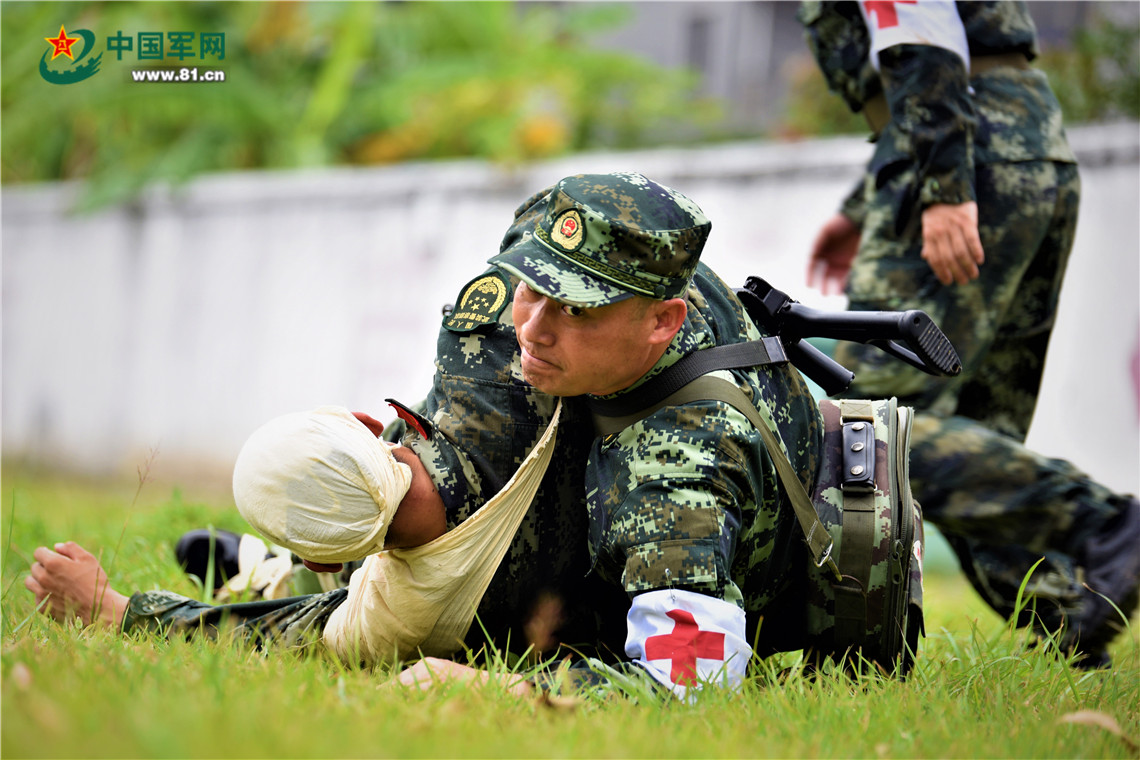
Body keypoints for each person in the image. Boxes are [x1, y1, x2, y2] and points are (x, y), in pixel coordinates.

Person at [797, 0, 1139, 666]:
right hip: (1022, 146)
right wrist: (867, 203)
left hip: (968, 155)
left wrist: (945, 188)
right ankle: (1072, 618)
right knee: (978, 438)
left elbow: (919, 31)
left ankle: (1106, 524)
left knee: (872, 423)